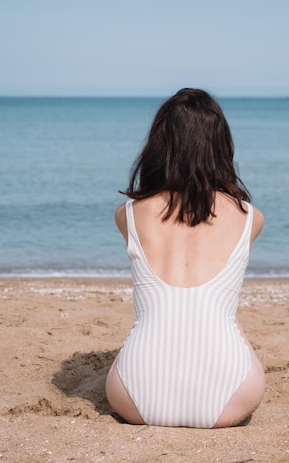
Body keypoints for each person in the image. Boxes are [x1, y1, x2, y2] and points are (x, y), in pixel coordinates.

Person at [105, 88, 265, 428]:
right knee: (232, 326)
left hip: (134, 400)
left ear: (159, 145)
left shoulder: (129, 214)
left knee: (142, 333)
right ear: (220, 146)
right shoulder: (251, 217)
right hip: (230, 398)